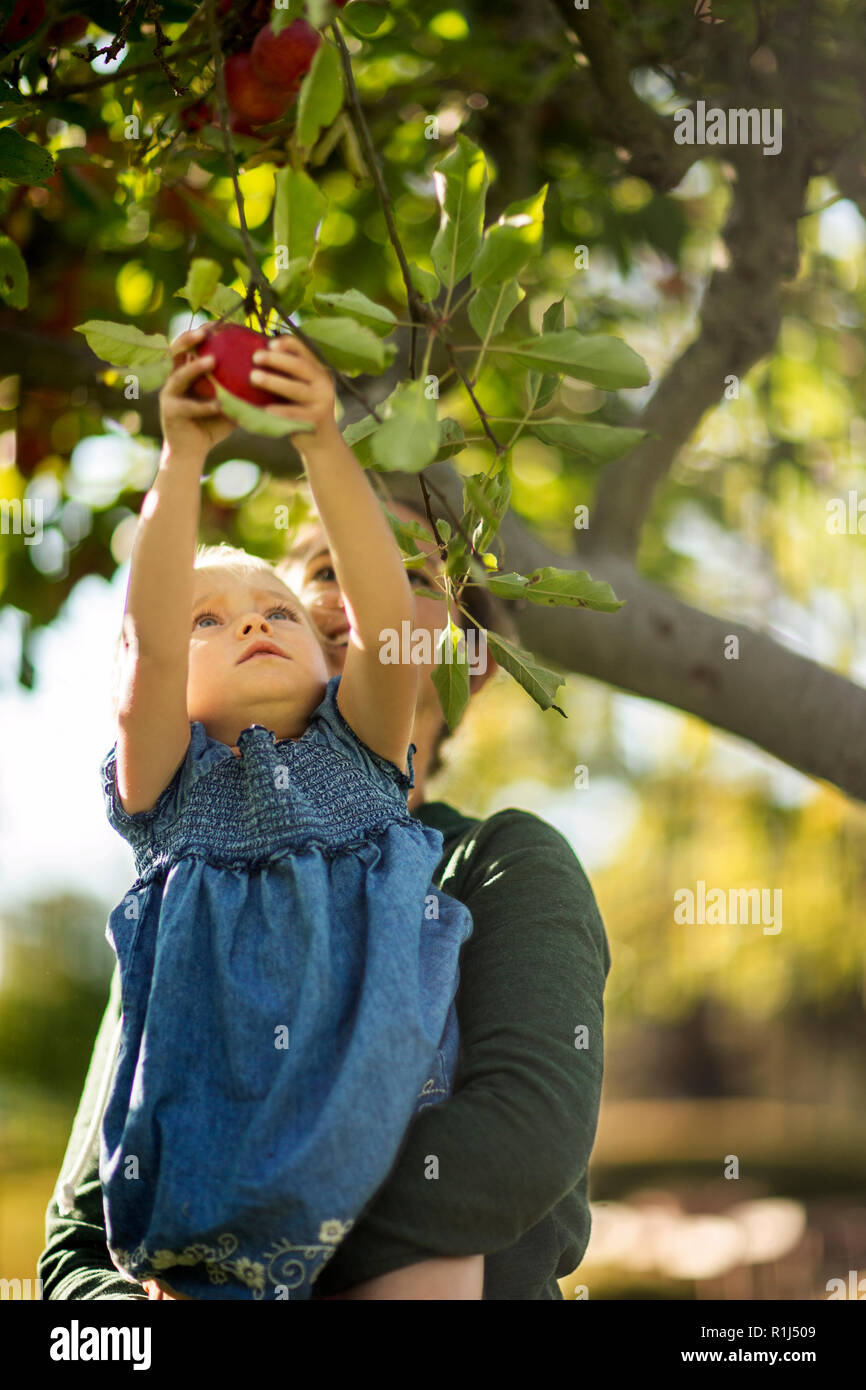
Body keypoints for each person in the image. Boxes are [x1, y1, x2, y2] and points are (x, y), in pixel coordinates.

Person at [38, 339, 612, 1303]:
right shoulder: (181, 891)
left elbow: (519, 1140)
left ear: (461, 658)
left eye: (402, 573)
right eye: (312, 572)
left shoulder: (498, 858)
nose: (337, 597)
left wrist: (251, 1250)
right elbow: (76, 1249)